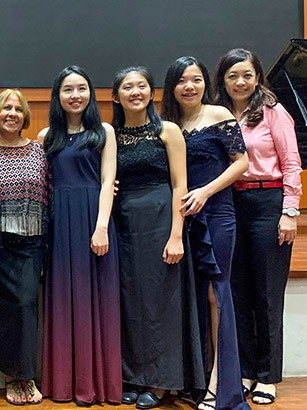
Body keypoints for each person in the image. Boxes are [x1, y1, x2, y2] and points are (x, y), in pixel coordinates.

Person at [110, 67, 205, 409]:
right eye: (127, 87)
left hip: (161, 218)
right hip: (122, 222)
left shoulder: (168, 130)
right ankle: (132, 375)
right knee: (128, 300)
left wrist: (177, 234)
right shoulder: (112, 135)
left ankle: (162, 381)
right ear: (116, 95)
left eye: (141, 86)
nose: (135, 92)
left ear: (151, 92)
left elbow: (181, 185)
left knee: (161, 301)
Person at [213, 48, 303, 406]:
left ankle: (268, 376)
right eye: (233, 75)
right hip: (230, 204)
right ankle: (246, 369)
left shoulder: (273, 112)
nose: (240, 82)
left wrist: (289, 211)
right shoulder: (218, 113)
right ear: (223, 79)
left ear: (258, 77)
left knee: (267, 294)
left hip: (268, 203)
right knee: (238, 292)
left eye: (247, 75)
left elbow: (292, 163)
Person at [162, 56, 251, 410]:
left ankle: (221, 383)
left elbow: (242, 163)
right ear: (172, 86)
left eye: (196, 79)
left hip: (215, 213)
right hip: (181, 218)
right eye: (182, 80)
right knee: (191, 297)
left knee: (217, 294)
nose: (190, 86)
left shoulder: (219, 115)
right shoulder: (168, 123)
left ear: (205, 84)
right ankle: (195, 379)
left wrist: (205, 192)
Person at [38, 66, 120, 406]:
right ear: (58, 95)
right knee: (62, 298)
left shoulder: (103, 131)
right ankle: (63, 383)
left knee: (96, 298)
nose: (75, 95)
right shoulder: (46, 136)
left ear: (90, 93)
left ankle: (96, 383)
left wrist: (101, 226)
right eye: (68, 89)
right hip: (59, 222)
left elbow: (107, 181)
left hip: (93, 218)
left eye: (82, 88)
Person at [0, 89, 48, 406]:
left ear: (25, 116)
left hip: (32, 242)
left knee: (25, 306)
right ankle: (11, 377)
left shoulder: (38, 151)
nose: (12, 114)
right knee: (2, 311)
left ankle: (26, 374)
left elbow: (50, 193)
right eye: (6, 108)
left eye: (18, 109)